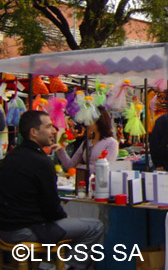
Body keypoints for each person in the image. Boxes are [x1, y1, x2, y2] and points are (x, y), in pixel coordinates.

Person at [0, 110, 104, 270]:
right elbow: (51, 208)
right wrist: (63, 216)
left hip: (5, 229)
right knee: (95, 226)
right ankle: (69, 267)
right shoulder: (41, 162)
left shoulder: (10, 158)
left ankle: (48, 266)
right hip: (27, 230)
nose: (54, 131)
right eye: (49, 127)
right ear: (34, 132)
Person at [55, 106, 118, 173]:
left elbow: (104, 168)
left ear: (100, 121)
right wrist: (60, 149)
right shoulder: (87, 142)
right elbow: (71, 165)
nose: (87, 123)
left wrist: (80, 167)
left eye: (90, 120)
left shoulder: (111, 143)